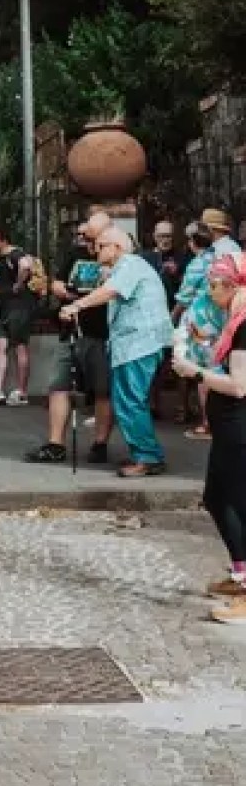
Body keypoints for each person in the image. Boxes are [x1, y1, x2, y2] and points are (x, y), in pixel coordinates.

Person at [60, 225, 172, 479]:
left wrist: (77, 305)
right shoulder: (125, 267)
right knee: (126, 400)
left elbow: (111, 291)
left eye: (100, 246)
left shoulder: (130, 265)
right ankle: (144, 452)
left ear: (116, 248)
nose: (95, 250)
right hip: (133, 343)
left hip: (139, 342)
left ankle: (148, 457)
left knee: (130, 400)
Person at [171, 254, 246, 623]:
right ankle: (239, 573)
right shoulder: (232, 322)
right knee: (217, 498)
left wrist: (194, 372)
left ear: (234, 285)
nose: (209, 290)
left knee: (235, 501)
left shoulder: (244, 324)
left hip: (238, 425)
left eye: (215, 283)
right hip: (229, 425)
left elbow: (238, 385)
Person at [26, 215, 114, 465]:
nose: (86, 242)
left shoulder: (114, 257)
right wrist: (60, 289)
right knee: (59, 384)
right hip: (70, 328)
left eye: (91, 237)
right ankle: (56, 443)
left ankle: (100, 443)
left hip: (99, 331)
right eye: (83, 237)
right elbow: (56, 281)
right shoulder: (76, 253)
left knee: (102, 390)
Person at [173, 222, 224, 439]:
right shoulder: (220, 260)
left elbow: (184, 298)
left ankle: (207, 424)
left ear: (193, 243)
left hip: (199, 321)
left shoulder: (196, 264)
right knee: (217, 369)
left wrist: (171, 318)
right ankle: (216, 421)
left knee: (202, 373)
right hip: (219, 319)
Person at [0, 226, 37, 407]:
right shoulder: (0, 257)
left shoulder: (15, 254)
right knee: (0, 344)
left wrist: (19, 284)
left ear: (4, 241)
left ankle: (22, 391)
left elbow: (25, 265)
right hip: (7, 307)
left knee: (20, 346)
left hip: (19, 307)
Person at [144, 219, 188, 309]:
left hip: (173, 308)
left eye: (168, 236)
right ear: (155, 236)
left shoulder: (182, 257)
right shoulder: (144, 257)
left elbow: (189, 286)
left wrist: (176, 274)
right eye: (161, 236)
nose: (165, 240)